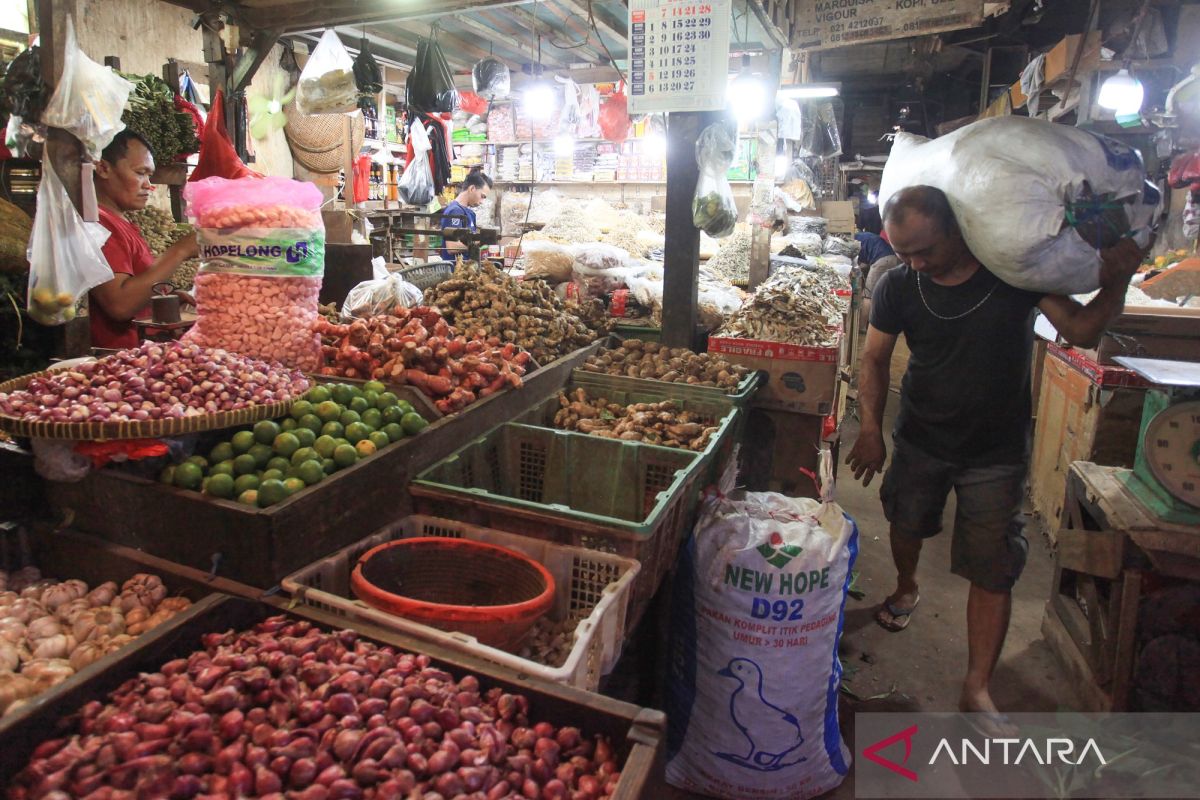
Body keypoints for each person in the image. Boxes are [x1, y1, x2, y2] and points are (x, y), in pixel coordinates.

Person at [844, 185, 1142, 724]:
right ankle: (907, 585)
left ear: (958, 232)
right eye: (904, 251)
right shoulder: (898, 284)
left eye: (925, 250)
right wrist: (870, 427)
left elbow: (1079, 329)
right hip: (920, 438)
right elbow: (873, 359)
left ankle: (977, 686)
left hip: (996, 451)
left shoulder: (1012, 276)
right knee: (906, 523)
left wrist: (1116, 278)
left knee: (995, 565)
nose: (915, 262)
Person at [89, 130, 197, 349]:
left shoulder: (120, 222)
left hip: (143, 354)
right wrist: (180, 251)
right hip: (118, 359)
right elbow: (119, 304)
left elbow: (133, 284)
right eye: (140, 173)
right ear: (103, 168)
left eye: (150, 175)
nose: (149, 185)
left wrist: (164, 296)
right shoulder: (98, 224)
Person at [439, 168, 492, 261]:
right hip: (455, 271)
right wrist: (477, 242)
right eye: (482, 196)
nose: (482, 201)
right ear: (472, 189)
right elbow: (451, 247)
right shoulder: (454, 211)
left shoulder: (470, 214)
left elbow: (470, 240)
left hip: (468, 269)